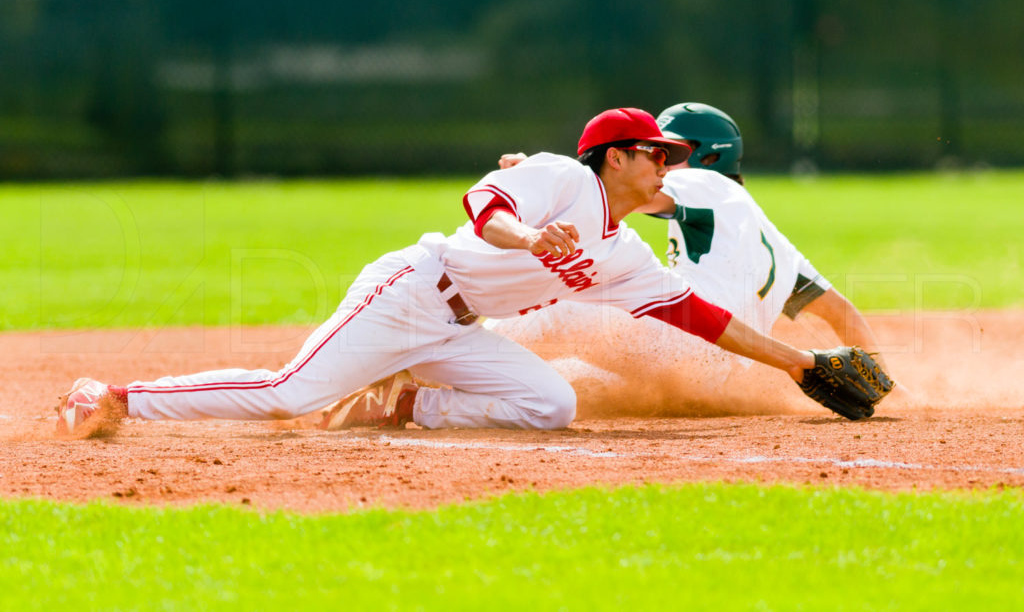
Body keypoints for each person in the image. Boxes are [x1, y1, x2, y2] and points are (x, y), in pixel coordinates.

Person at [59, 107, 842, 437]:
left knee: (552, 403)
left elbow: (699, 317)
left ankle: (408, 403)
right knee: (289, 393)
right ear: (616, 155)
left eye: (676, 157)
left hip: (456, 331)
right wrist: (533, 236)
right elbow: (482, 205)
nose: (669, 165)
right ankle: (116, 395)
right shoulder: (562, 178)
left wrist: (804, 364)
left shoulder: (624, 252)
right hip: (409, 292)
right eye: (657, 154)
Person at [486, 102, 897, 417]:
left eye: (667, 150)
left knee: (559, 305)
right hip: (724, 374)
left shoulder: (700, 181)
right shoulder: (767, 236)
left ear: (710, 157)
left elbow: (612, 191)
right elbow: (840, 312)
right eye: (655, 151)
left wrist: (538, 178)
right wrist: (890, 389)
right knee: (580, 379)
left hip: (686, 342)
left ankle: (438, 358)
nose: (659, 159)